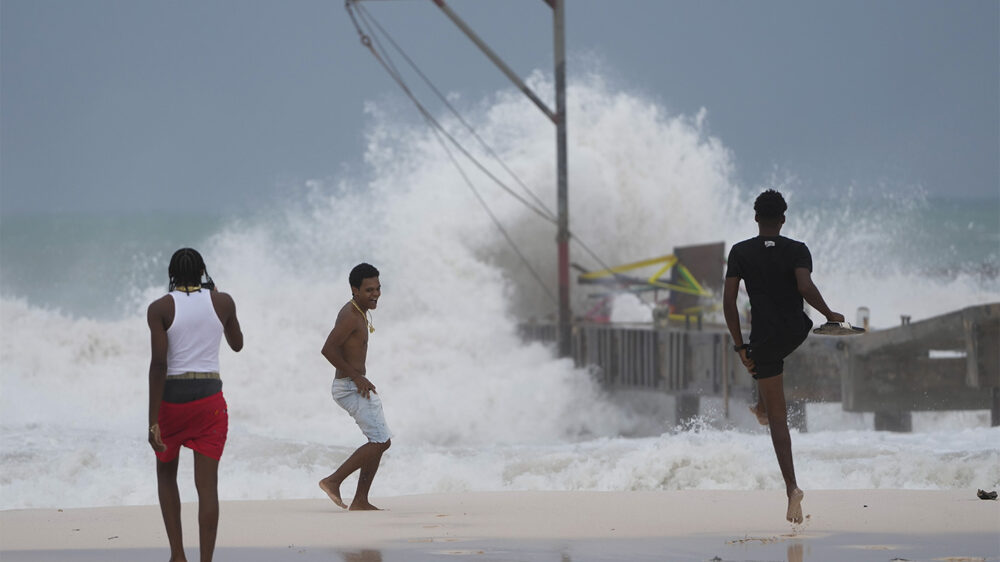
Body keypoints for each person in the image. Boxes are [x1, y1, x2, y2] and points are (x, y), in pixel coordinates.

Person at [722, 190, 844, 524]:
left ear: (756, 218)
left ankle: (792, 488)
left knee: (778, 415)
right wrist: (831, 314)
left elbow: (729, 302)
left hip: (763, 340)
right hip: (796, 330)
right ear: (783, 219)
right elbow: (804, 288)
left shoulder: (740, 252)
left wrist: (739, 346)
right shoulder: (797, 249)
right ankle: (760, 403)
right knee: (765, 374)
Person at [147, 248, 243, 562]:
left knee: (165, 475)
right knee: (207, 488)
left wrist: (153, 420)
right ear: (202, 271)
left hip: (172, 402)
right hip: (210, 402)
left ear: (172, 272)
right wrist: (218, 296)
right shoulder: (223, 302)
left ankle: (177, 555)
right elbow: (237, 344)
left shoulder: (160, 308)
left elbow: (159, 365)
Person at [319, 263, 392, 511]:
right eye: (369, 289)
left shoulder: (359, 312)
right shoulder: (350, 316)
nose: (375, 294)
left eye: (378, 288)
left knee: (379, 440)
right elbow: (327, 349)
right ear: (355, 289)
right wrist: (357, 377)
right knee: (380, 441)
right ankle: (333, 481)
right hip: (349, 387)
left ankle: (361, 500)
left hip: (352, 384)